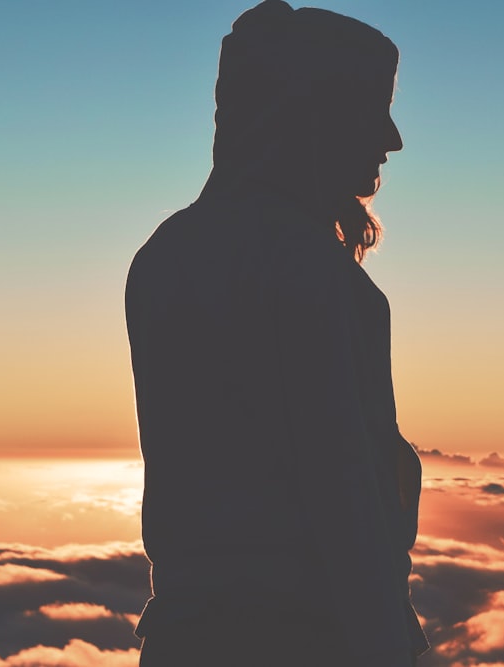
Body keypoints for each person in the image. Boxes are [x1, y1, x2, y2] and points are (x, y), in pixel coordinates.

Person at [125, 1, 428, 664]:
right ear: (314, 114)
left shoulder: (161, 259)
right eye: (370, 108)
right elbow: (347, 511)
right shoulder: (316, 276)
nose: (392, 138)